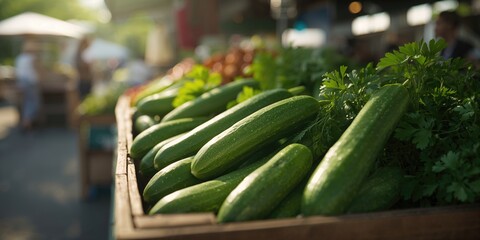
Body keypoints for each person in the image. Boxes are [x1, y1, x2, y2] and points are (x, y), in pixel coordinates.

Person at [15, 40, 42, 130]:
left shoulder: (19, 58)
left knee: (26, 101)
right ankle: (27, 121)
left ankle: (26, 121)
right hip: (30, 82)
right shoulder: (31, 57)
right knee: (33, 102)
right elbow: (37, 70)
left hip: (21, 81)